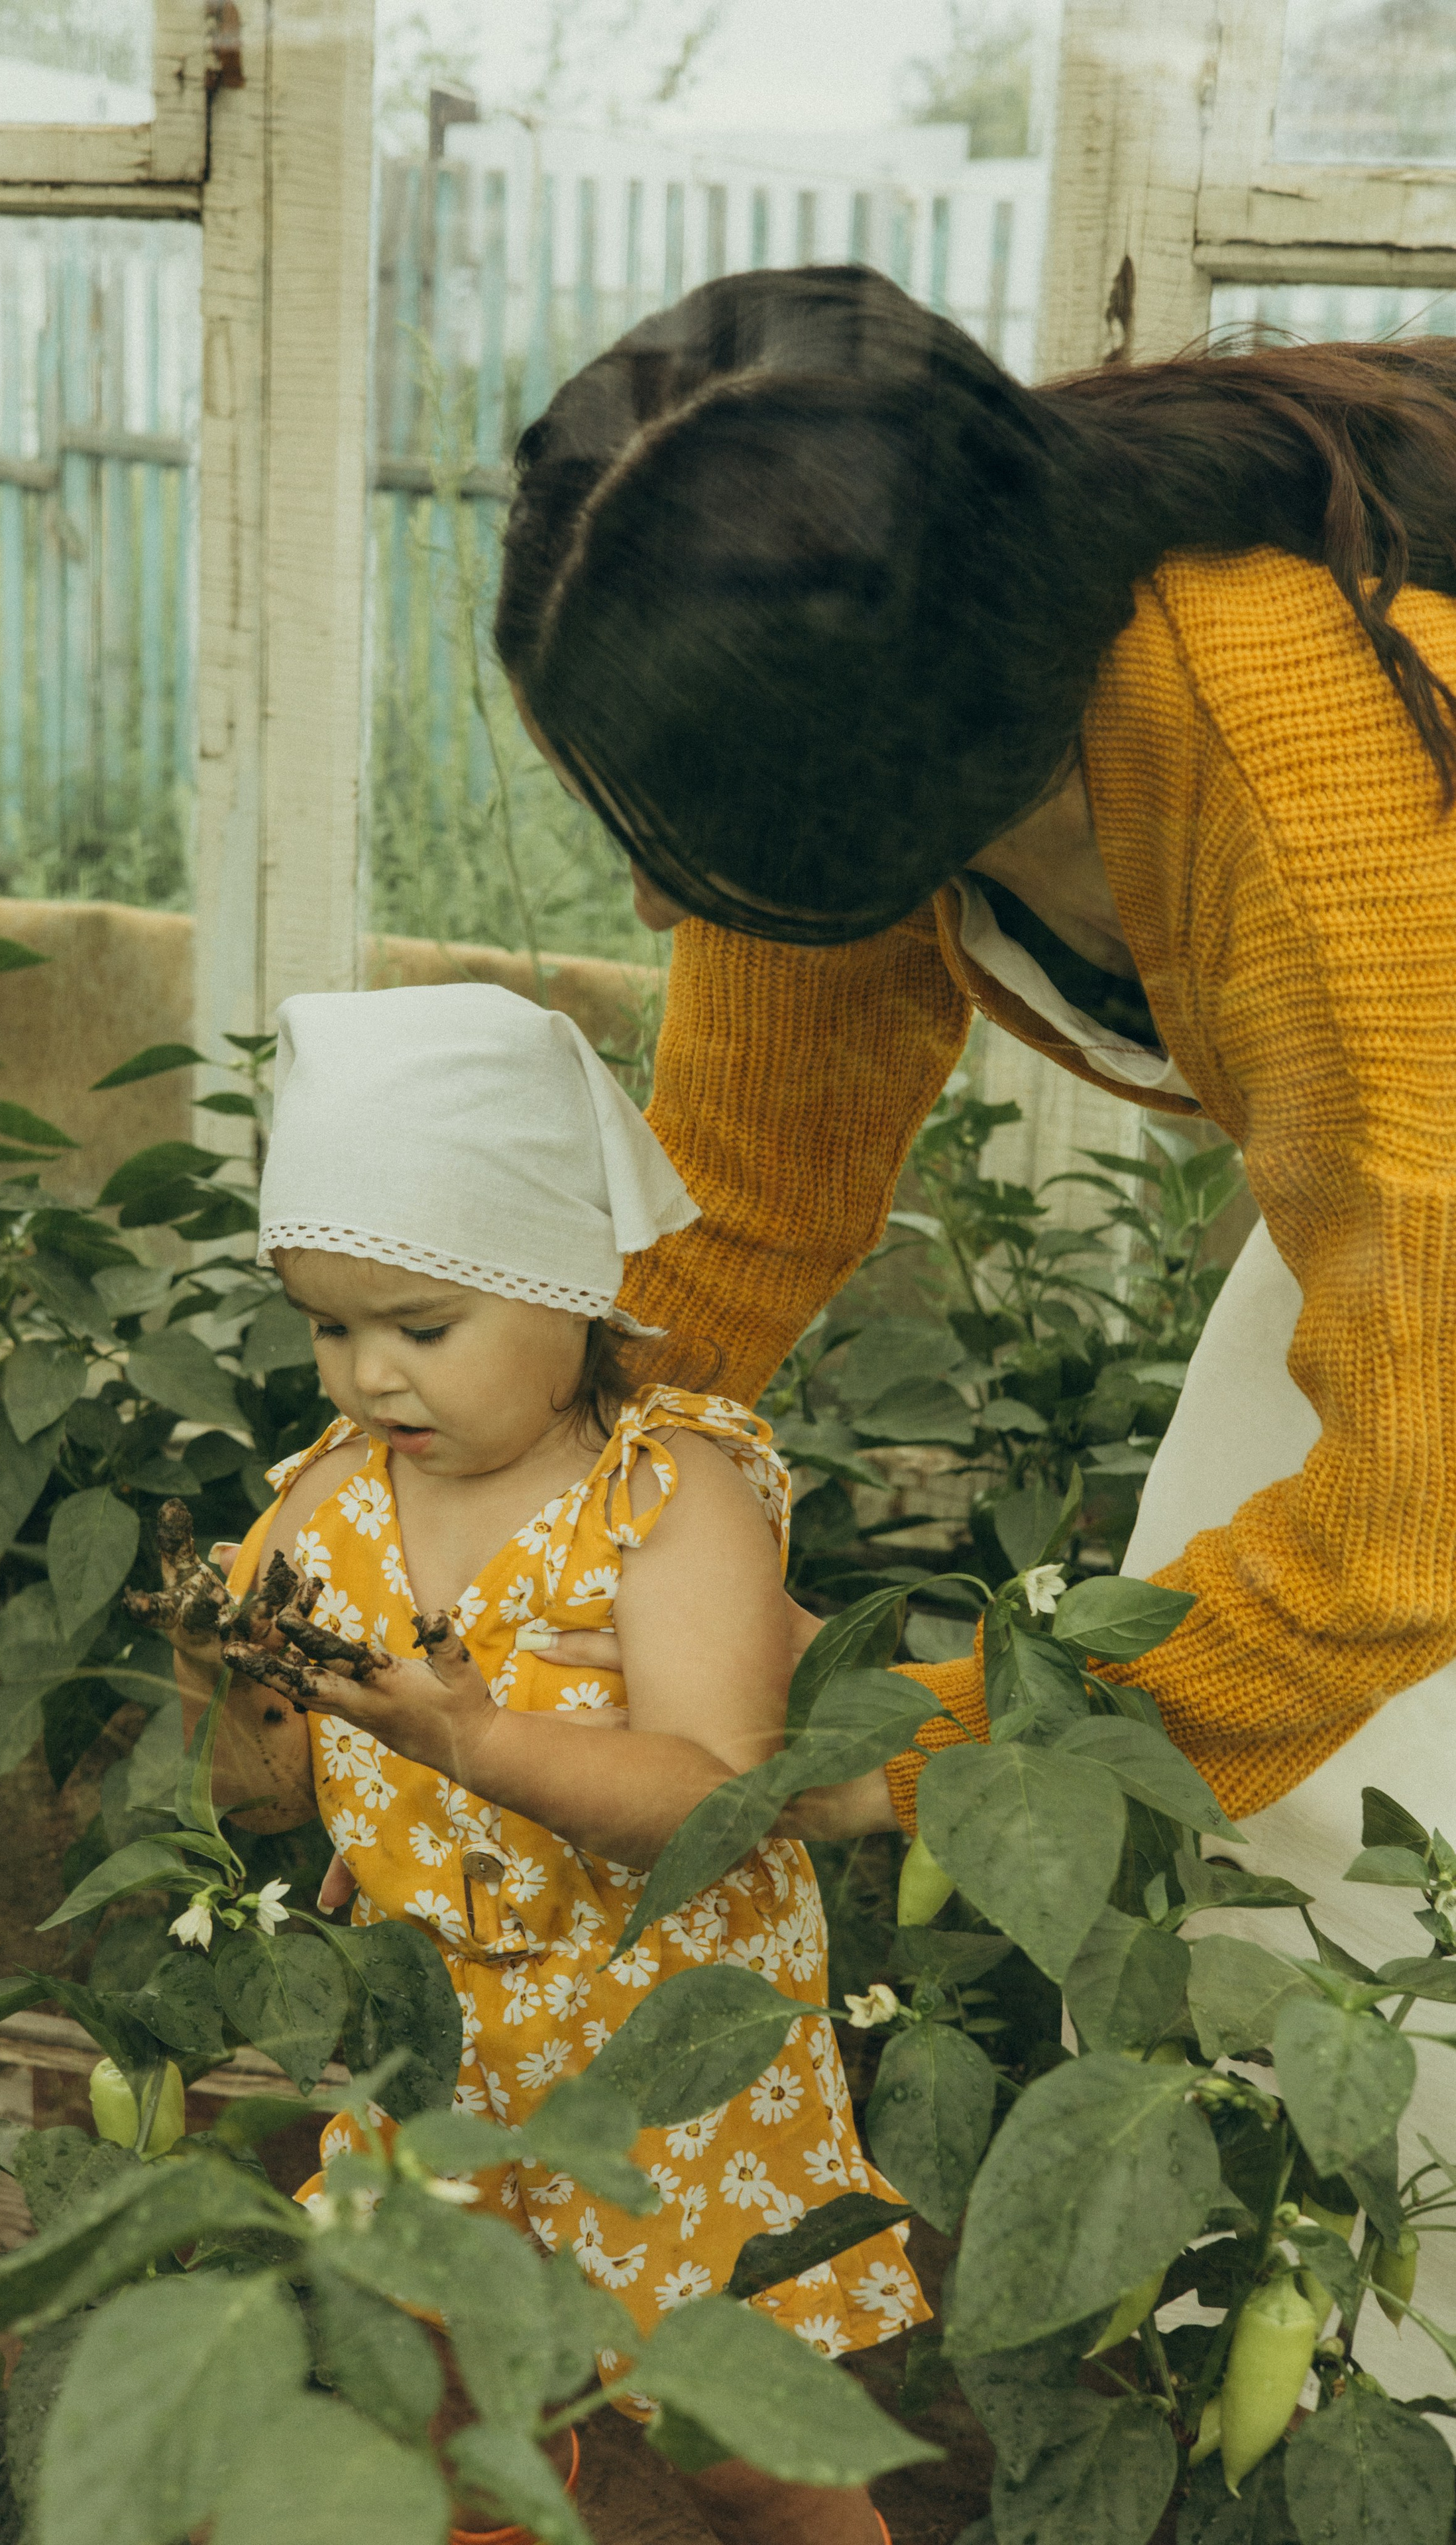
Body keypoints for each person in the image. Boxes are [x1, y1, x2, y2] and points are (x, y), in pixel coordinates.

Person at [494, 260, 1456, 2404]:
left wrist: (854, 1775)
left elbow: (1409, 1526)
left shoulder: (1323, 841)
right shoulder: (899, 630)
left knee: (1404, 1888)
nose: (655, 902)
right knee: (1251, 1809)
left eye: (677, 845)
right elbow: (741, 1206)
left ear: (892, 782)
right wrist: (499, 1496)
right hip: (1427, 1176)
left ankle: (1399, 2394)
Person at [170, 982, 919, 2545]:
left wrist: (471, 1739)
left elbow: (718, 1799)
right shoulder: (319, 1506)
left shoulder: (666, 1498)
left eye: (418, 1328)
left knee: (742, 2446)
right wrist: (227, 1692)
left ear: (566, 1290)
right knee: (421, 2406)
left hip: (658, 2057)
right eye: (328, 1325)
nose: (368, 1377)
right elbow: (262, 1804)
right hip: (432, 2046)